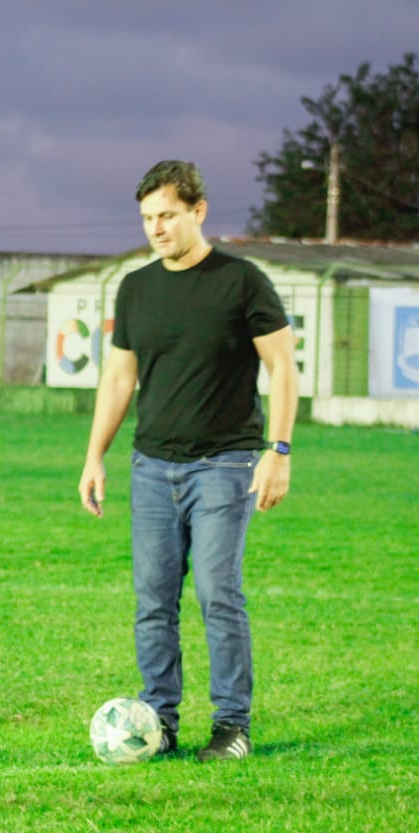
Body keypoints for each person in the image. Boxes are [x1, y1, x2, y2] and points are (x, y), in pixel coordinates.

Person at [77, 160, 298, 763]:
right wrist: (94, 456)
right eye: (148, 218)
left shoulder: (241, 281)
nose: (157, 228)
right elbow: (120, 379)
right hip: (151, 468)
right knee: (153, 601)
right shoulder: (136, 288)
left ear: (198, 211)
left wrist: (278, 451)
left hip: (224, 465)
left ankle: (232, 726)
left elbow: (282, 367)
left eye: (168, 215)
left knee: (217, 593)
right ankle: (159, 721)